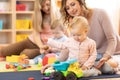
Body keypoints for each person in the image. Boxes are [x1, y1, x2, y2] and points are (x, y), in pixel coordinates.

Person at [60, 0, 120, 74]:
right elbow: (70, 47)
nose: (71, 10)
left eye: (73, 4)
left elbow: (112, 39)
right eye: (67, 8)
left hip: (113, 54)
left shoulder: (100, 13)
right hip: (93, 57)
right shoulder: (75, 23)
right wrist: (56, 64)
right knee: (73, 65)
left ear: (80, 2)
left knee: (107, 67)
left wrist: (106, 57)